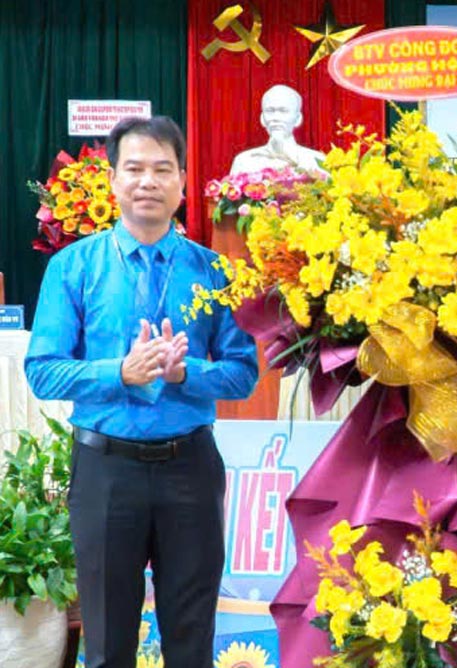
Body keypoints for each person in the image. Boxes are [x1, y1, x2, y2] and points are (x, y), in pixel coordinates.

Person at [25, 116, 259, 667]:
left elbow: (243, 374)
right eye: (134, 169)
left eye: (161, 169)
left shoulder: (215, 271)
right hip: (107, 473)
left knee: (191, 638)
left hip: (190, 471)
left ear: (182, 181)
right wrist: (119, 373)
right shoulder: (72, 268)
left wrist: (185, 374)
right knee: (107, 644)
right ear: (113, 181)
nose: (147, 181)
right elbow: (43, 370)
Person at [229, 84, 326, 175]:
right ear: (262, 118)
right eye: (270, 111)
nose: (276, 118)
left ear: (298, 118)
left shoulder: (317, 160)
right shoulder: (244, 161)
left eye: (283, 111)